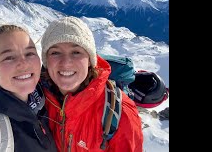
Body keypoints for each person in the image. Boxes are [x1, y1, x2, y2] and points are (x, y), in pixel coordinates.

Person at [40, 16, 143, 152]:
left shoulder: (121, 114)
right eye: (55, 52)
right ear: (46, 61)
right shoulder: (36, 98)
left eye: (76, 52)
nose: (65, 63)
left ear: (90, 60)